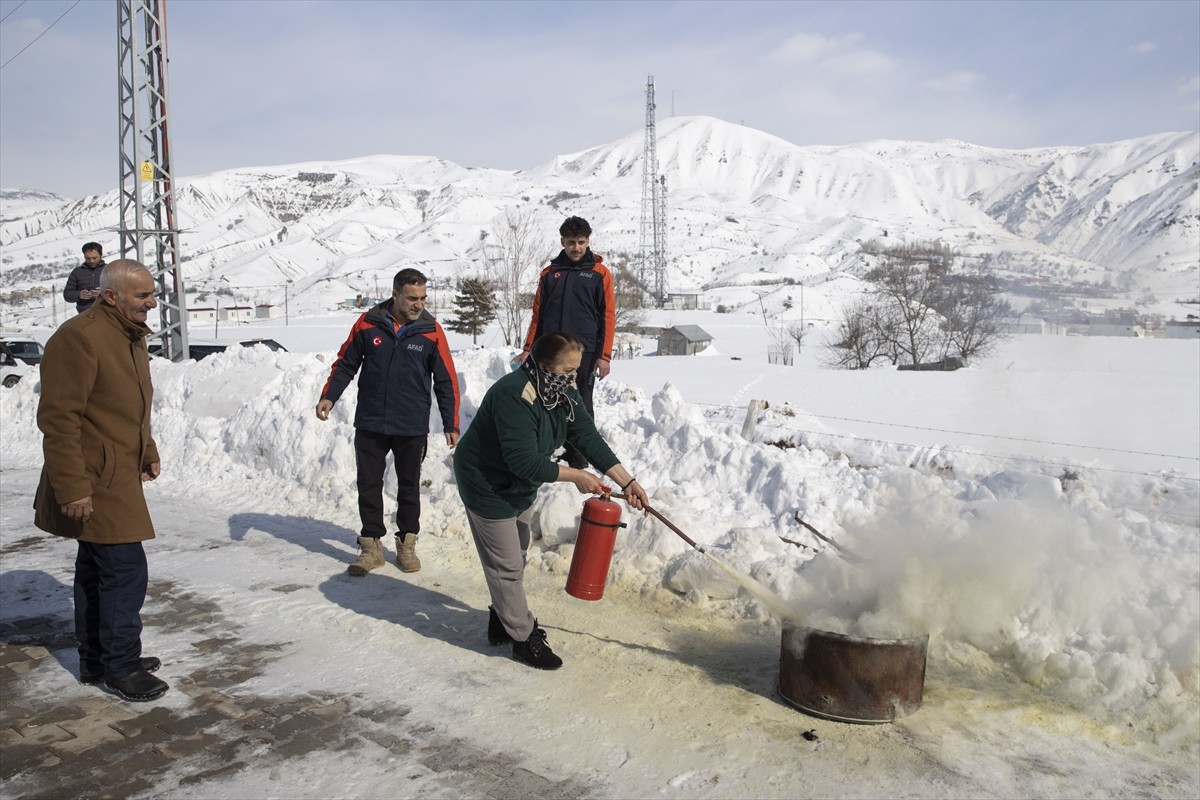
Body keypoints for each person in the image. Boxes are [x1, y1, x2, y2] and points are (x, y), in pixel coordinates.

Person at [454, 332, 648, 670]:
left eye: (576, 370)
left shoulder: (561, 391)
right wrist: (577, 476)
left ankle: (503, 619)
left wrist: (627, 481)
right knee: (505, 566)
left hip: (519, 485)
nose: (573, 378)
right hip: (486, 483)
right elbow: (523, 461)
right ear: (543, 365)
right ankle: (523, 637)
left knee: (516, 555)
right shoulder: (515, 394)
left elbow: (587, 436)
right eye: (566, 370)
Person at [34, 259, 168, 702]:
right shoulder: (79, 338)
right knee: (125, 571)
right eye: (143, 295)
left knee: (96, 570)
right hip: (92, 477)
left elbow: (129, 407)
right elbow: (59, 420)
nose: (152, 303)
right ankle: (121, 666)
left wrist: (146, 450)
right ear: (111, 296)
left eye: (152, 293)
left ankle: (97, 659)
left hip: (117, 473)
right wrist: (72, 488)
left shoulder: (128, 335)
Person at [316, 268, 460, 575]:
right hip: (371, 421)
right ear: (395, 295)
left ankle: (406, 544)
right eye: (412, 298)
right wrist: (329, 396)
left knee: (408, 487)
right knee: (368, 485)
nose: (419, 304)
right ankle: (371, 547)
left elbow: (446, 380)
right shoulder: (368, 324)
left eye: (423, 298)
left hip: (411, 424)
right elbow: (346, 364)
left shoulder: (431, 331)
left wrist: (451, 423)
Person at [518, 216, 615, 470]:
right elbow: (538, 315)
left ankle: (579, 458)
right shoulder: (550, 274)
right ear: (562, 242)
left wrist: (604, 356)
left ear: (588, 241)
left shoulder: (600, 274)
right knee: (546, 401)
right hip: (550, 351)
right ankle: (547, 451)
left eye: (581, 242)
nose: (576, 247)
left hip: (584, 353)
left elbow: (608, 316)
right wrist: (528, 349)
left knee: (580, 403)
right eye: (571, 242)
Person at [63, 242, 107, 314]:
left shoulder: (109, 270)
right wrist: (79, 295)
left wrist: (103, 294)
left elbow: (120, 293)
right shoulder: (77, 272)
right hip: (85, 314)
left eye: (94, 258)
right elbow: (67, 295)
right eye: (88, 258)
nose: (91, 261)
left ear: (101, 255)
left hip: (106, 313)